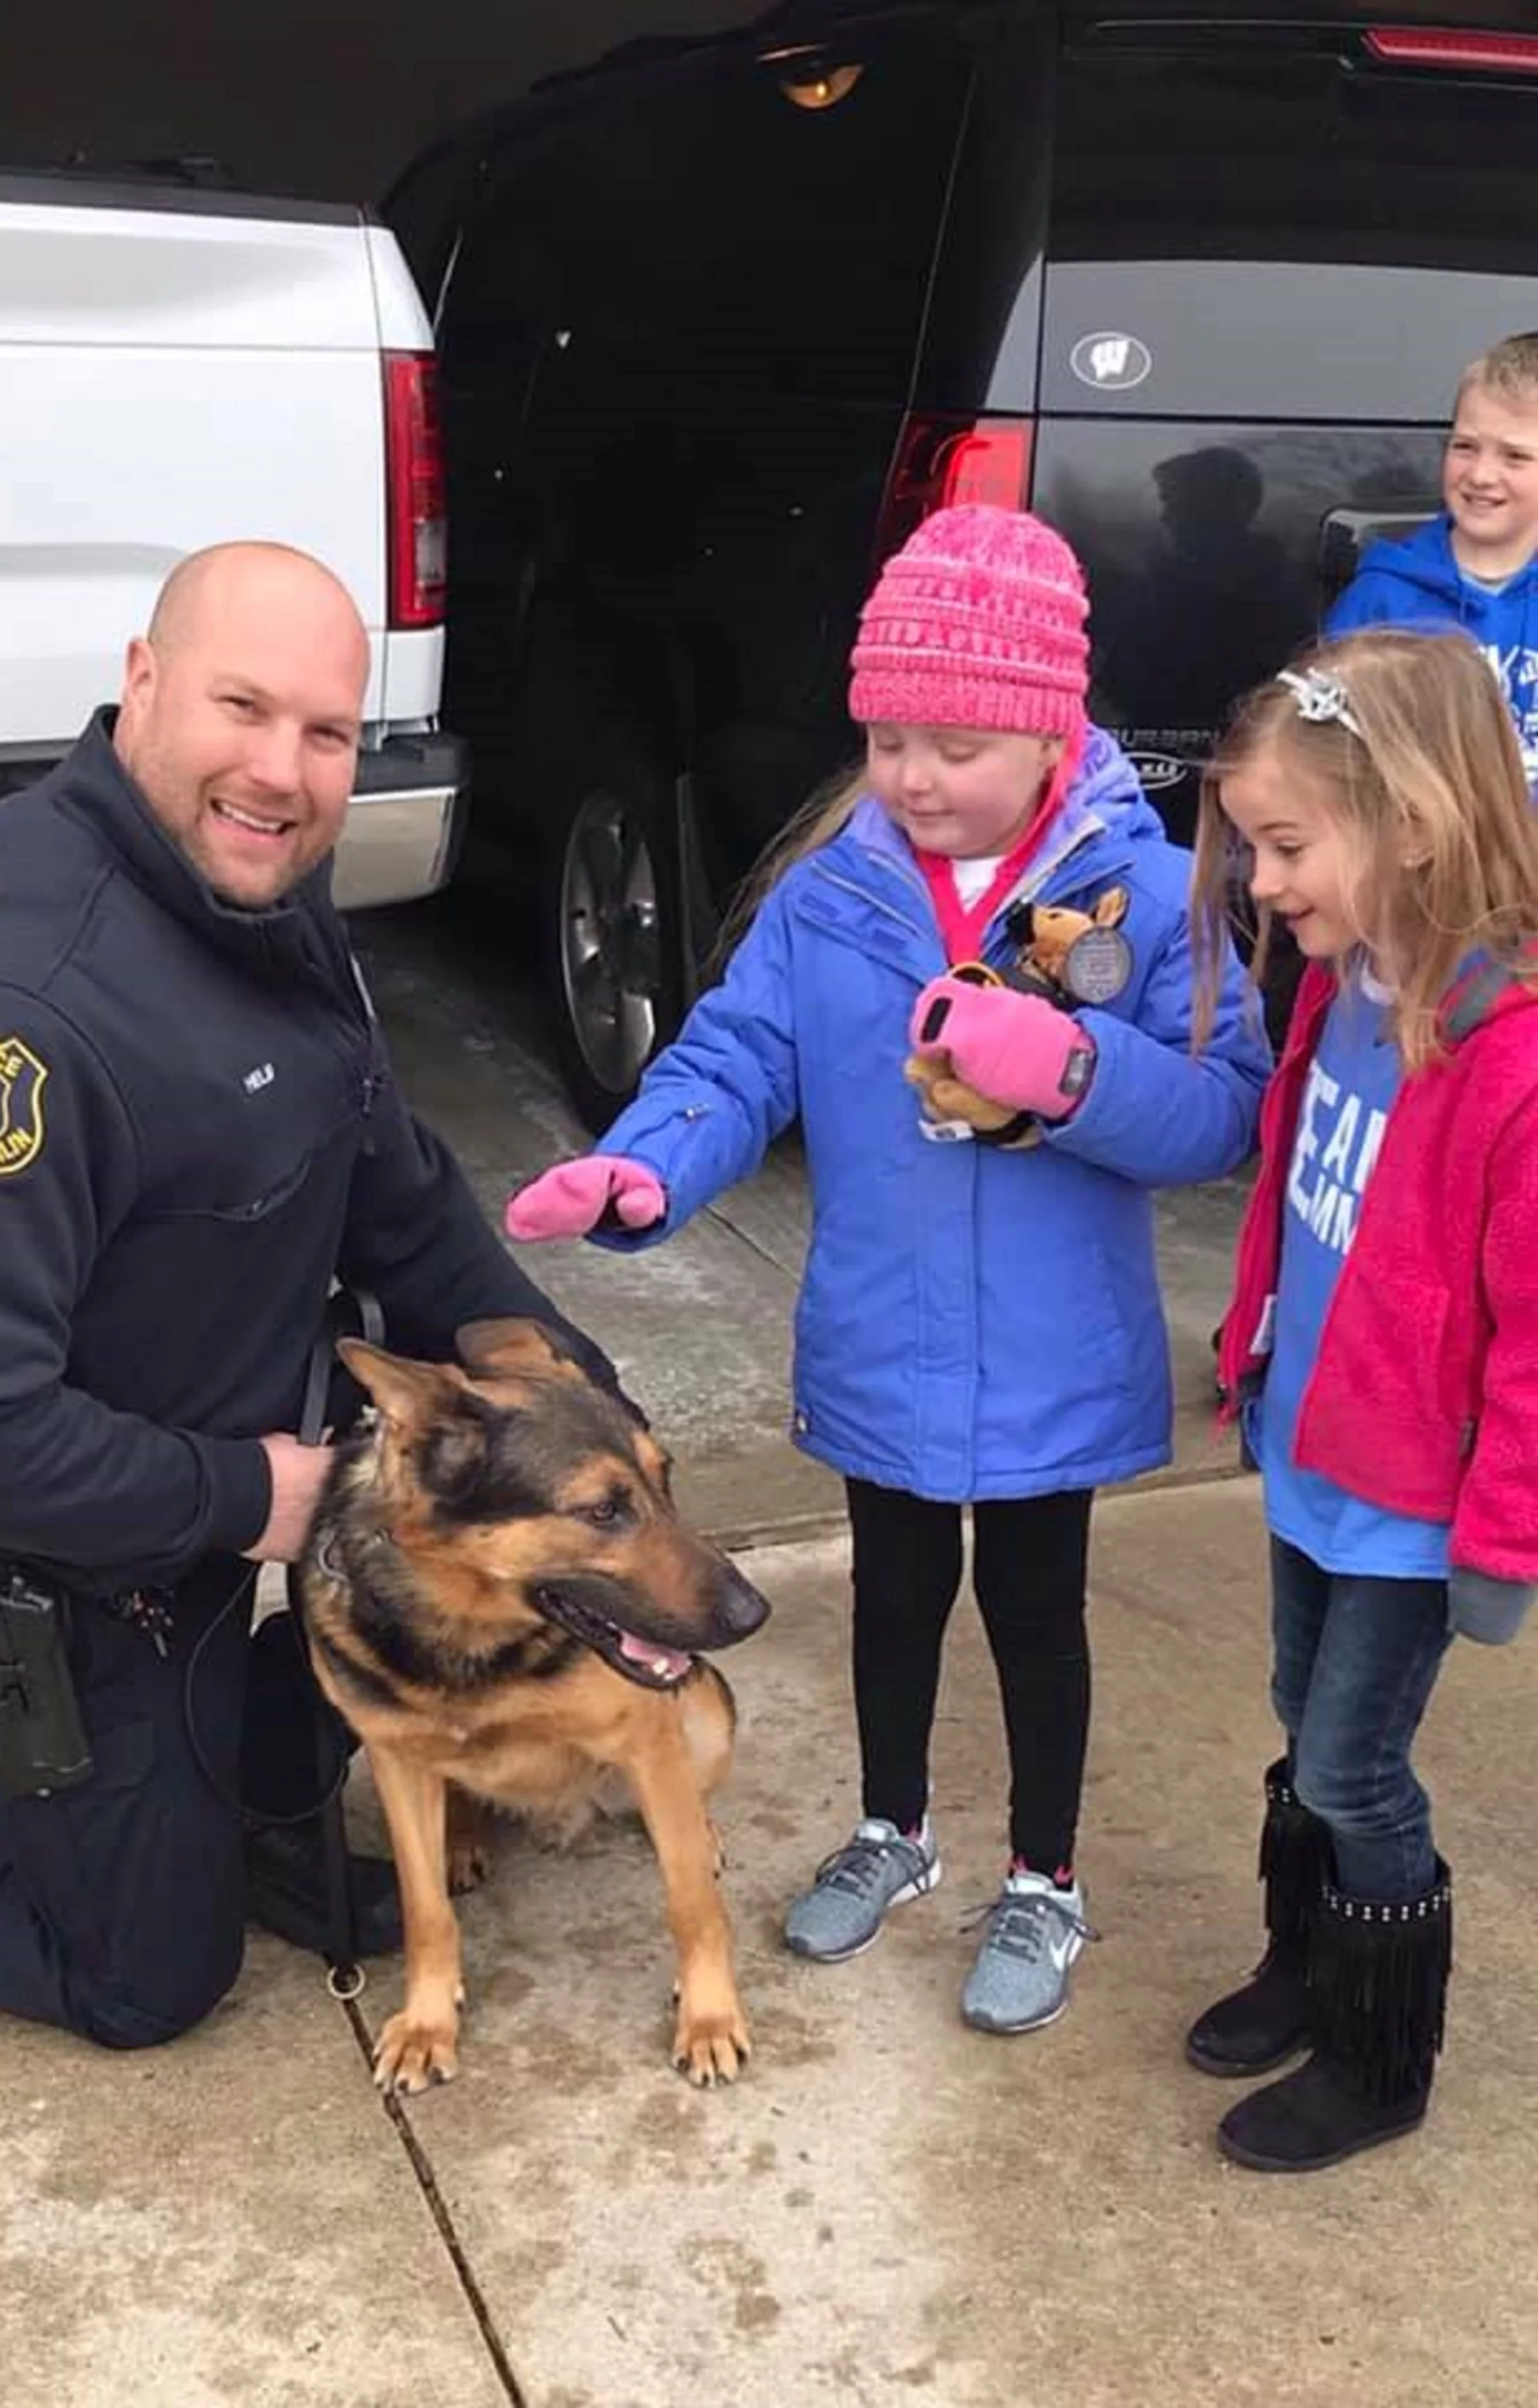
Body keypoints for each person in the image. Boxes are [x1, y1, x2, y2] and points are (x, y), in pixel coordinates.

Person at [0, 541, 625, 2050]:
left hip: (230, 1454)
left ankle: (256, 1794)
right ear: (141, 682)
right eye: (242, 707)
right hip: (56, 1538)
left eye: (327, 733)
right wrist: (251, 1497)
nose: (281, 771)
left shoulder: (260, 884)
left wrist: (562, 1389)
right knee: (146, 1977)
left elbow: (389, 1182)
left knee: (515, 1513)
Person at [504, 505, 1270, 2035]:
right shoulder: (830, 893)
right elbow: (735, 1055)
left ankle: (1043, 1874)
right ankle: (894, 1827)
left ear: (1050, 732)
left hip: (1054, 1348)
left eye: (955, 744)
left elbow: (1221, 1105)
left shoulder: (1143, 890)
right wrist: (649, 1158)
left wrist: (1065, 1068)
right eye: (888, 738)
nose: (915, 776)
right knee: (894, 1596)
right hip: (876, 1332)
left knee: (1037, 1613)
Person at [1186, 628, 1538, 2173]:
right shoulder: (1346, 986)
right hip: (1309, 1446)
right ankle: (1308, 1957)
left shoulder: (1512, 1061)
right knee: (1294, 1719)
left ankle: (1379, 2047)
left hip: (1414, 1497)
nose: (1263, 883)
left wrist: (1504, 1534)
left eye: (1285, 843)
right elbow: (1294, 1195)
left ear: (1410, 821)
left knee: (1350, 1763)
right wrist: (1255, 1343)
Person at [1325, 330, 1538, 786]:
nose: (1481, 474)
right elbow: (1327, 756)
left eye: (1515, 456)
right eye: (1465, 446)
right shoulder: (1381, 598)